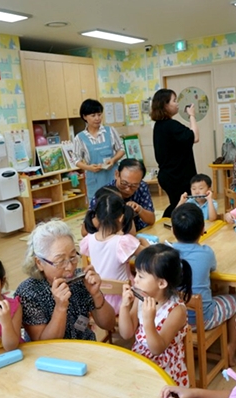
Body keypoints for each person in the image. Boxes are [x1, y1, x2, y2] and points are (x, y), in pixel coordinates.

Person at [14, 221, 115, 341]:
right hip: (52, 358)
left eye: (73, 257)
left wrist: (96, 294)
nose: (69, 267)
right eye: (60, 261)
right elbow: (45, 346)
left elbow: (109, 324)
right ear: (39, 263)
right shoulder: (28, 293)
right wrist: (60, 307)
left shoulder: (80, 280)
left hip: (85, 348)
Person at [171, 203, 236, 366]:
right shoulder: (206, 252)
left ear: (173, 230)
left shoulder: (167, 253)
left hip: (174, 319)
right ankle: (231, 349)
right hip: (203, 319)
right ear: (202, 229)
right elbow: (213, 268)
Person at [118, 244, 193, 386]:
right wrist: (124, 306)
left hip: (165, 370)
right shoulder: (143, 297)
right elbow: (126, 333)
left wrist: (148, 322)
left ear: (162, 283)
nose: (135, 280)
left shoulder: (177, 311)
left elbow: (158, 349)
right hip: (140, 361)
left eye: (141, 276)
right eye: (136, 274)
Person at [80, 194, 149, 314]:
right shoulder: (123, 242)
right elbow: (148, 256)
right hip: (125, 299)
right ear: (121, 217)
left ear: (96, 217)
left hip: (98, 300)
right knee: (149, 292)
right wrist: (145, 243)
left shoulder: (88, 239)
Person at [151, 89, 200, 218]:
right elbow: (195, 137)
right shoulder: (171, 125)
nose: (177, 103)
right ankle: (170, 225)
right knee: (181, 206)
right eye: (174, 101)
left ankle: (170, 225)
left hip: (169, 175)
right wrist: (192, 115)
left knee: (177, 204)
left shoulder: (159, 125)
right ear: (165, 105)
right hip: (177, 177)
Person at [73, 99, 126, 199]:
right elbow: (76, 160)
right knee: (97, 207)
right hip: (94, 179)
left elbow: (121, 149)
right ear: (84, 117)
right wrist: (89, 168)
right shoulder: (79, 138)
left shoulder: (110, 131)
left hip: (112, 176)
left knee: (115, 205)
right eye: (93, 115)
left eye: (99, 114)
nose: (97, 118)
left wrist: (113, 160)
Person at [89, 159, 155, 231]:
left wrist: (139, 209)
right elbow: (85, 230)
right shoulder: (105, 193)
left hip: (139, 231)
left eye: (134, 185)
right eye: (124, 183)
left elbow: (151, 220)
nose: (128, 189)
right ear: (117, 174)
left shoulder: (142, 186)